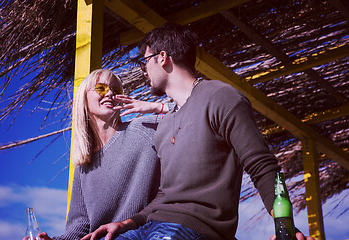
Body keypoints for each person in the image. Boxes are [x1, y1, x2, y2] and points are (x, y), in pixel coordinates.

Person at [83, 24, 314, 240]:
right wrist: (126, 224)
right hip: (151, 227)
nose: (145, 71)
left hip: (195, 228)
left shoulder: (221, 97)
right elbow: (165, 196)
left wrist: (286, 226)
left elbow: (262, 166)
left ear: (162, 57)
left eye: (145, 62)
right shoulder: (164, 126)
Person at [23, 69, 165, 240]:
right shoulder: (84, 166)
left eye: (116, 90)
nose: (110, 93)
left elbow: (192, 109)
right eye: (101, 88)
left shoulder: (143, 128)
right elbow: (79, 227)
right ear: (84, 98)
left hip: (149, 232)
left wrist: (157, 107)